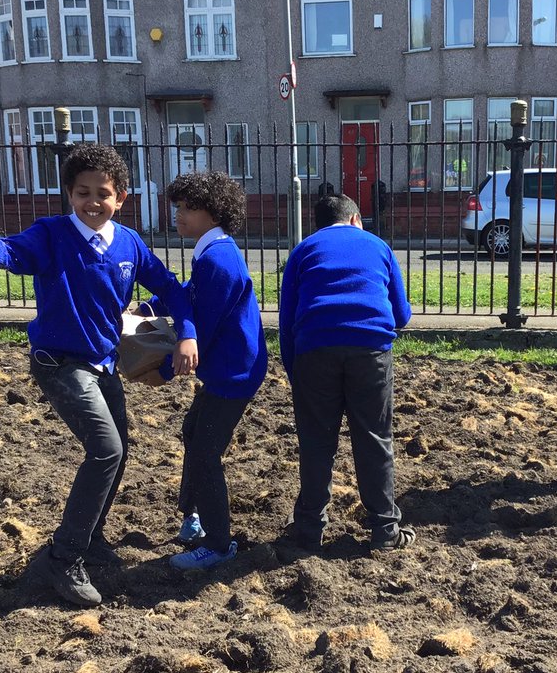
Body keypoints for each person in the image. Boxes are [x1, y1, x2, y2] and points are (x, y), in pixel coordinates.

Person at [0, 143, 198, 606]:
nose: (93, 202)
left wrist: (187, 333)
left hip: (104, 362)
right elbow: (9, 255)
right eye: (82, 192)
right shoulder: (50, 234)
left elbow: (171, 288)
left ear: (121, 197)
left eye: (103, 193)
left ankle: (90, 538)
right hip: (60, 363)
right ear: (68, 194)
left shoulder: (129, 243)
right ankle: (63, 558)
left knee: (119, 449)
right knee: (105, 449)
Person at [279, 194, 415, 551]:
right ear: (356, 219)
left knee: (317, 443)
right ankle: (385, 529)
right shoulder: (378, 246)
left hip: (315, 350)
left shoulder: (303, 250)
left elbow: (287, 320)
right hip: (369, 350)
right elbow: (401, 315)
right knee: (374, 439)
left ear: (319, 225)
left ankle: (309, 529)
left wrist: (297, 373)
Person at [153, 171, 267, 571]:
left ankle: (219, 544)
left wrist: (163, 369)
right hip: (228, 368)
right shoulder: (211, 251)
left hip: (232, 373)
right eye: (178, 206)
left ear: (214, 212)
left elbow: (205, 323)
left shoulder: (218, 259)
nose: (178, 215)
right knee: (193, 434)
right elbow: (190, 293)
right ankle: (193, 516)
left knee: (205, 451)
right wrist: (152, 306)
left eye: (188, 208)